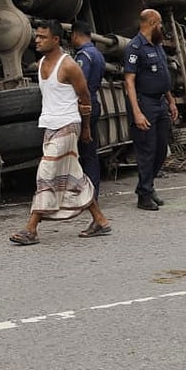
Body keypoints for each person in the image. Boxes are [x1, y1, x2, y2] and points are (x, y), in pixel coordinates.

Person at [9, 21, 109, 245]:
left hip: (68, 124)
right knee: (74, 177)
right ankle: (100, 220)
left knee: (46, 172)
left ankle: (31, 228)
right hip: (50, 125)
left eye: (42, 37)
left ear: (56, 40)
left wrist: (85, 129)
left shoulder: (70, 66)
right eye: (36, 36)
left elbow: (85, 100)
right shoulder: (42, 62)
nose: (37, 40)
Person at [123, 9, 178, 211]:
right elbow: (129, 82)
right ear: (153, 22)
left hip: (160, 102)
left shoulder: (157, 46)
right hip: (144, 102)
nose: (162, 27)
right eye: (160, 23)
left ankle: (147, 186)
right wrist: (137, 112)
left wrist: (171, 101)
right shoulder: (134, 48)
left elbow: (163, 76)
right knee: (147, 150)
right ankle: (144, 195)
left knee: (161, 149)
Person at [70, 21, 112, 236]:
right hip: (93, 103)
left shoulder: (83, 56)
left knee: (83, 154)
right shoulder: (97, 53)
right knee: (90, 154)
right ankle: (90, 194)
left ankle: (89, 196)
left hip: (83, 106)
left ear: (75, 35)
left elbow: (80, 84)